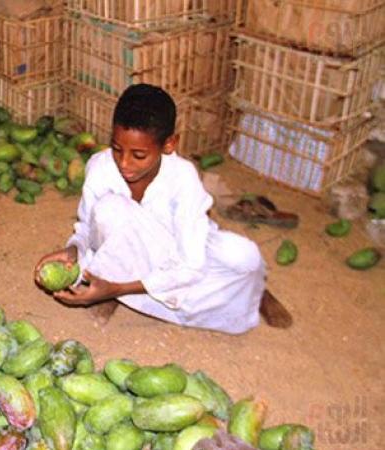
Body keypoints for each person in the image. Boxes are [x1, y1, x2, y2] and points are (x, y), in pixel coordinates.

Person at [34, 84, 292, 334]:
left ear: (168, 144)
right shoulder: (100, 167)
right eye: (117, 148)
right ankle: (111, 289)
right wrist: (71, 252)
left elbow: (189, 264)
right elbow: (88, 228)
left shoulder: (182, 177)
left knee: (244, 257)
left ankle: (256, 292)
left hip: (177, 251)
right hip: (124, 250)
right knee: (109, 210)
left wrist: (117, 288)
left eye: (138, 155)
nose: (124, 163)